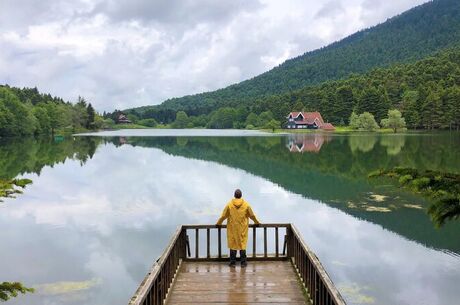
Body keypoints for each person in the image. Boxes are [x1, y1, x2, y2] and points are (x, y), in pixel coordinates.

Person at [216, 189, 260, 267]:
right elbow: (252, 216)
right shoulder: (246, 205)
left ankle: (232, 263)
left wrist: (218, 223)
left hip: (232, 228)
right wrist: (257, 222)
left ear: (234, 195)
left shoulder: (229, 205)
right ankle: (243, 263)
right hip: (242, 229)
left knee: (233, 245)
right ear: (241, 195)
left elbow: (223, 216)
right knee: (242, 244)